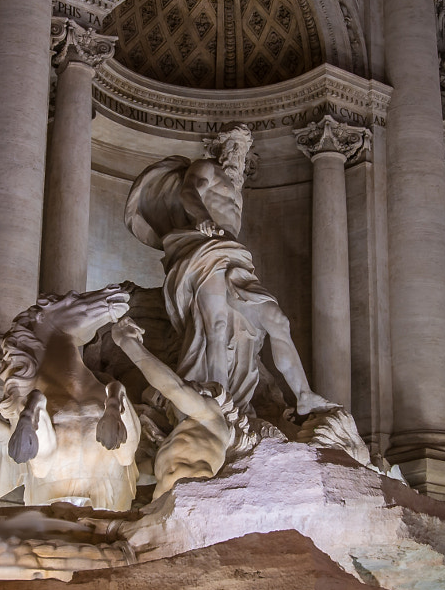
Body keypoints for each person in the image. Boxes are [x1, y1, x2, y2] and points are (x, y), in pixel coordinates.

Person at [125, 126, 332, 417]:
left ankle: (304, 395)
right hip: (204, 249)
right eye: (234, 148)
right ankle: (218, 406)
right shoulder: (204, 168)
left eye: (243, 151)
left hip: (233, 256)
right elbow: (188, 192)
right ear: (220, 151)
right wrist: (202, 217)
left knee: (276, 319)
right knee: (216, 327)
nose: (238, 157)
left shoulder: (236, 189)